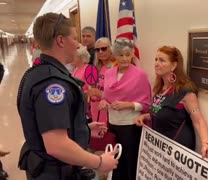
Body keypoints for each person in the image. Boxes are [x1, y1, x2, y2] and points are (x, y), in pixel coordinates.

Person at [16, 13, 118, 180]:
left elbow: (45, 123)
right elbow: (56, 145)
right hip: (55, 172)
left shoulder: (38, 72)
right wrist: (99, 162)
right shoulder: (53, 85)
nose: (78, 44)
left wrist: (81, 129)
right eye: (75, 38)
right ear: (61, 40)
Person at [135, 46, 208, 167]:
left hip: (178, 153)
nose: (156, 63)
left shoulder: (185, 91)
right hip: (160, 151)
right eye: (156, 59)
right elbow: (164, 112)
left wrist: (205, 144)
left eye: (162, 60)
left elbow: (198, 120)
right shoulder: (160, 87)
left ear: (174, 66)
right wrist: (147, 116)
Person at [99, 39, 152, 180]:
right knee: (115, 161)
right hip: (112, 123)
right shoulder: (109, 73)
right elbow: (105, 96)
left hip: (130, 126)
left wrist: (127, 104)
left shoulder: (140, 75)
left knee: (129, 163)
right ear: (115, 56)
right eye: (121, 55)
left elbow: (147, 104)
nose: (124, 58)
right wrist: (103, 102)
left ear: (132, 55)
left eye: (128, 55)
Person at [87, 37, 118, 152]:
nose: (100, 52)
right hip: (96, 110)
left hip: (110, 113)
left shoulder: (116, 68)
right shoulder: (96, 68)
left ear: (111, 49)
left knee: (108, 146)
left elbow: (118, 94)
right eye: (97, 50)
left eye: (104, 49)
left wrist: (99, 93)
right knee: (97, 143)